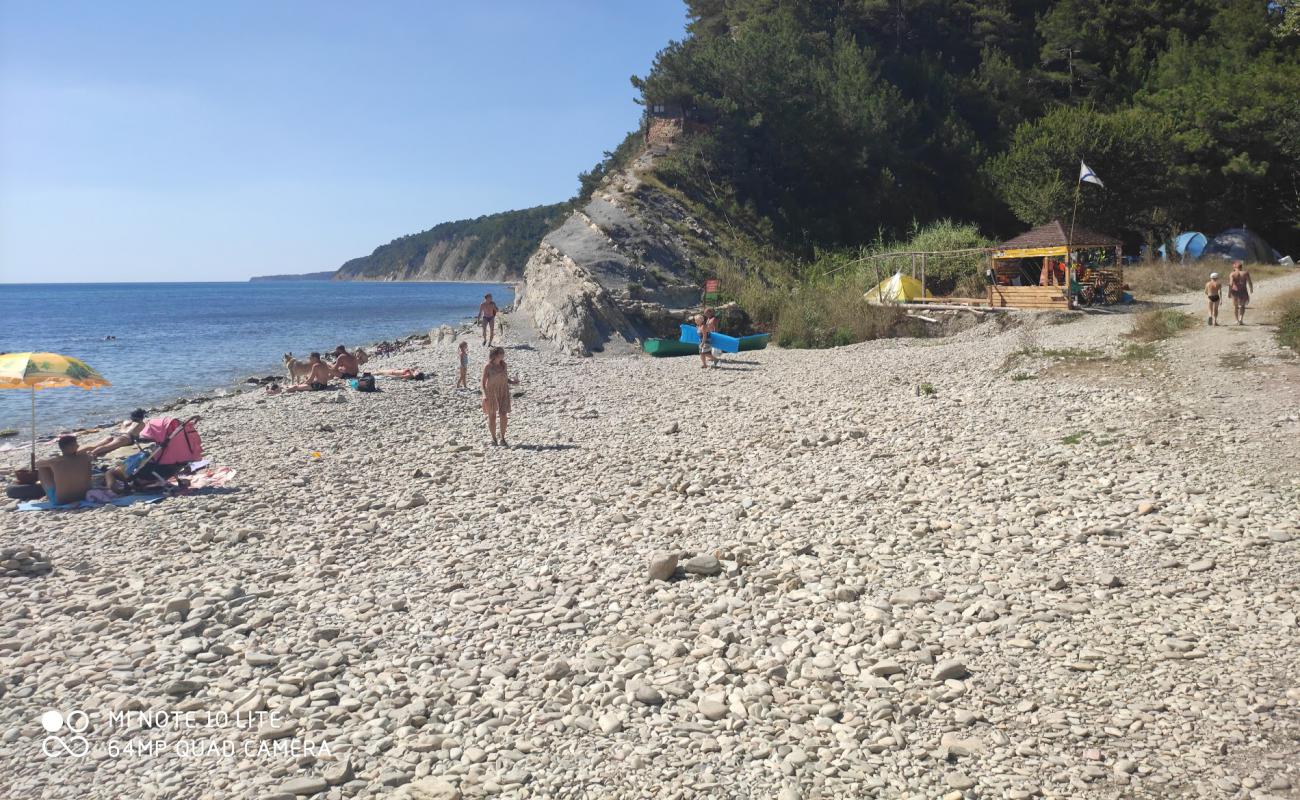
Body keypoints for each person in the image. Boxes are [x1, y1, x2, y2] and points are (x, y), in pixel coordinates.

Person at [36, 434, 92, 505]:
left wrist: (50, 460)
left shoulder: (55, 461)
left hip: (62, 501)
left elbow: (37, 464)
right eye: (76, 444)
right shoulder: (85, 457)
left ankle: (51, 493)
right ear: (70, 447)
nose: (78, 446)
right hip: (84, 496)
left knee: (42, 468)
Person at [481, 346, 519, 446]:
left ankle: (502, 438)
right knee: (492, 416)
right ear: (495, 355)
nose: (503, 355)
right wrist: (485, 395)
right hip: (491, 392)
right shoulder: (488, 366)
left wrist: (513, 382)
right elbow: (483, 383)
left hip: (503, 391)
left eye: (503, 353)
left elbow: (506, 378)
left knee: (503, 414)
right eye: (501, 353)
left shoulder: (504, 365)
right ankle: (494, 439)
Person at [268, 352, 333, 393]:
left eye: (310, 358)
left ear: (315, 358)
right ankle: (282, 387)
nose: (309, 359)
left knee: (295, 387)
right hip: (324, 385)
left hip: (318, 386)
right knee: (299, 385)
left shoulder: (315, 366)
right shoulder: (324, 363)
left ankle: (276, 391)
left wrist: (302, 384)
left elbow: (310, 380)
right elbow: (327, 374)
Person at [1227, 260, 1254, 325]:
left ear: (1235, 267)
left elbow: (1230, 284)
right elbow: (1249, 282)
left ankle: (1237, 320)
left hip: (1235, 291)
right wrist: (1251, 289)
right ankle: (1241, 319)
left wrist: (1229, 292)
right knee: (1242, 306)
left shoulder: (1232, 274)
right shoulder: (1245, 273)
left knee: (1236, 306)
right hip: (1243, 291)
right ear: (1241, 267)